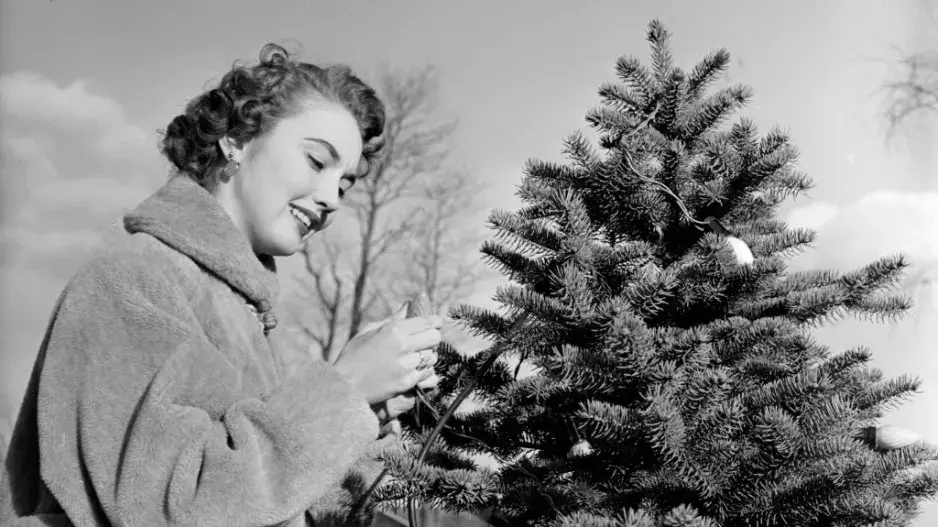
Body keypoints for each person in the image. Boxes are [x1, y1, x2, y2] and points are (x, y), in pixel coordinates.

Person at [1, 43, 442, 527]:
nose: (332, 198)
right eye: (318, 162)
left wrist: (366, 418)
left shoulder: (250, 320)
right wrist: (347, 389)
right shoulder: (132, 282)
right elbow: (171, 506)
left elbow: (266, 505)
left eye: (344, 184)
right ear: (237, 139)